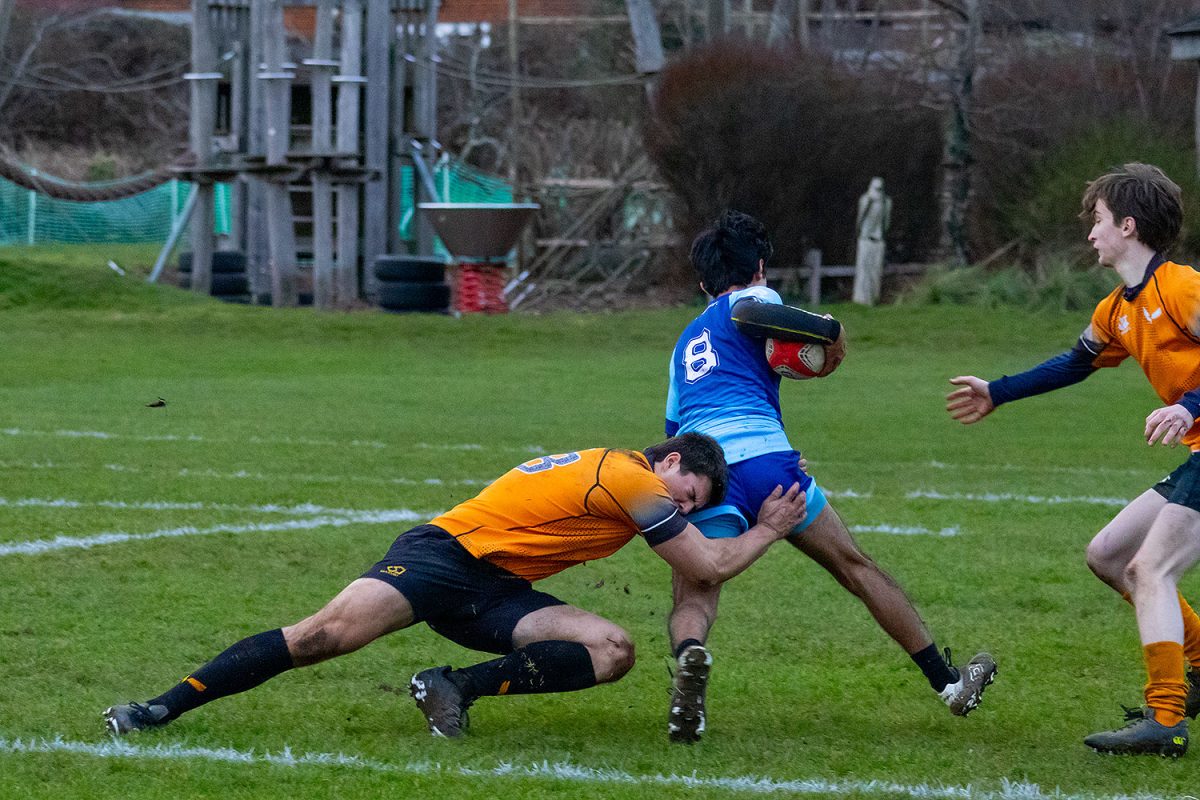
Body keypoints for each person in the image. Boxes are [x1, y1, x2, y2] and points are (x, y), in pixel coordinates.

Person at [103, 433, 806, 739]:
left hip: (494, 588)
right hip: (444, 557)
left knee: (610, 649)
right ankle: (156, 710)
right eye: (688, 492)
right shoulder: (628, 478)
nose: (684, 507)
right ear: (670, 460)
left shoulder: (626, 479)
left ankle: (451, 689)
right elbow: (706, 568)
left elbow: (694, 565)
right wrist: (771, 527)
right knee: (319, 637)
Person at [663, 209, 997, 744]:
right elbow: (750, 313)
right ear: (760, 268)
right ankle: (949, 685)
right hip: (772, 465)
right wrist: (833, 333)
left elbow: (675, 436)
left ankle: (691, 665)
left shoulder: (682, 347)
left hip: (707, 471)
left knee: (696, 591)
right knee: (855, 567)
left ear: (702, 282)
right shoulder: (757, 299)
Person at [947, 162, 1200, 757]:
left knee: (1150, 571)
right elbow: (1073, 362)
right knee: (1109, 556)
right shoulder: (1117, 309)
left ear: (1129, 226)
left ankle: (1167, 718)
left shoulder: (1183, 288)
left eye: (1099, 219)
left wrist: (1189, 406)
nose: (1091, 232)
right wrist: (997, 390)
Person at [852, 177, 892, 306]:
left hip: (878, 241)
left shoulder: (886, 203)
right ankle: (861, 300)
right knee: (863, 271)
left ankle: (873, 299)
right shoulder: (865, 200)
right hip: (865, 240)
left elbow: (886, 223)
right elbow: (860, 220)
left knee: (875, 272)